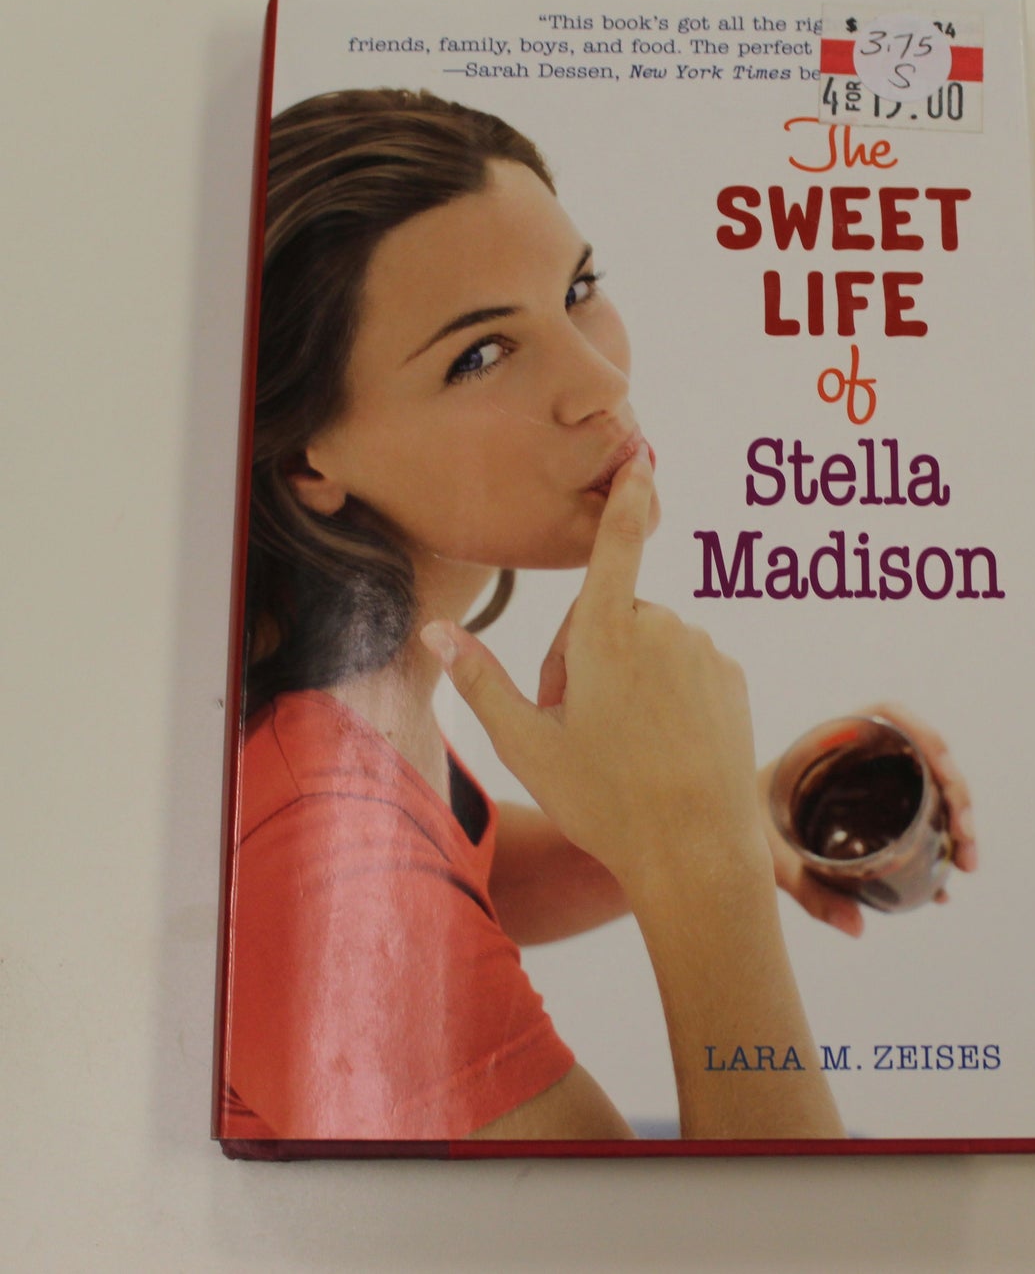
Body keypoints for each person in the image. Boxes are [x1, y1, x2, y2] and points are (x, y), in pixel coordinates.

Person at [220, 88, 975, 1144]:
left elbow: (458, 872)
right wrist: (700, 862)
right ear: (309, 457)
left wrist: (728, 806)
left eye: (576, 290)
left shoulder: (351, 681)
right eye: (479, 354)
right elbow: (771, 1231)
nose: (600, 378)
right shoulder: (313, 863)